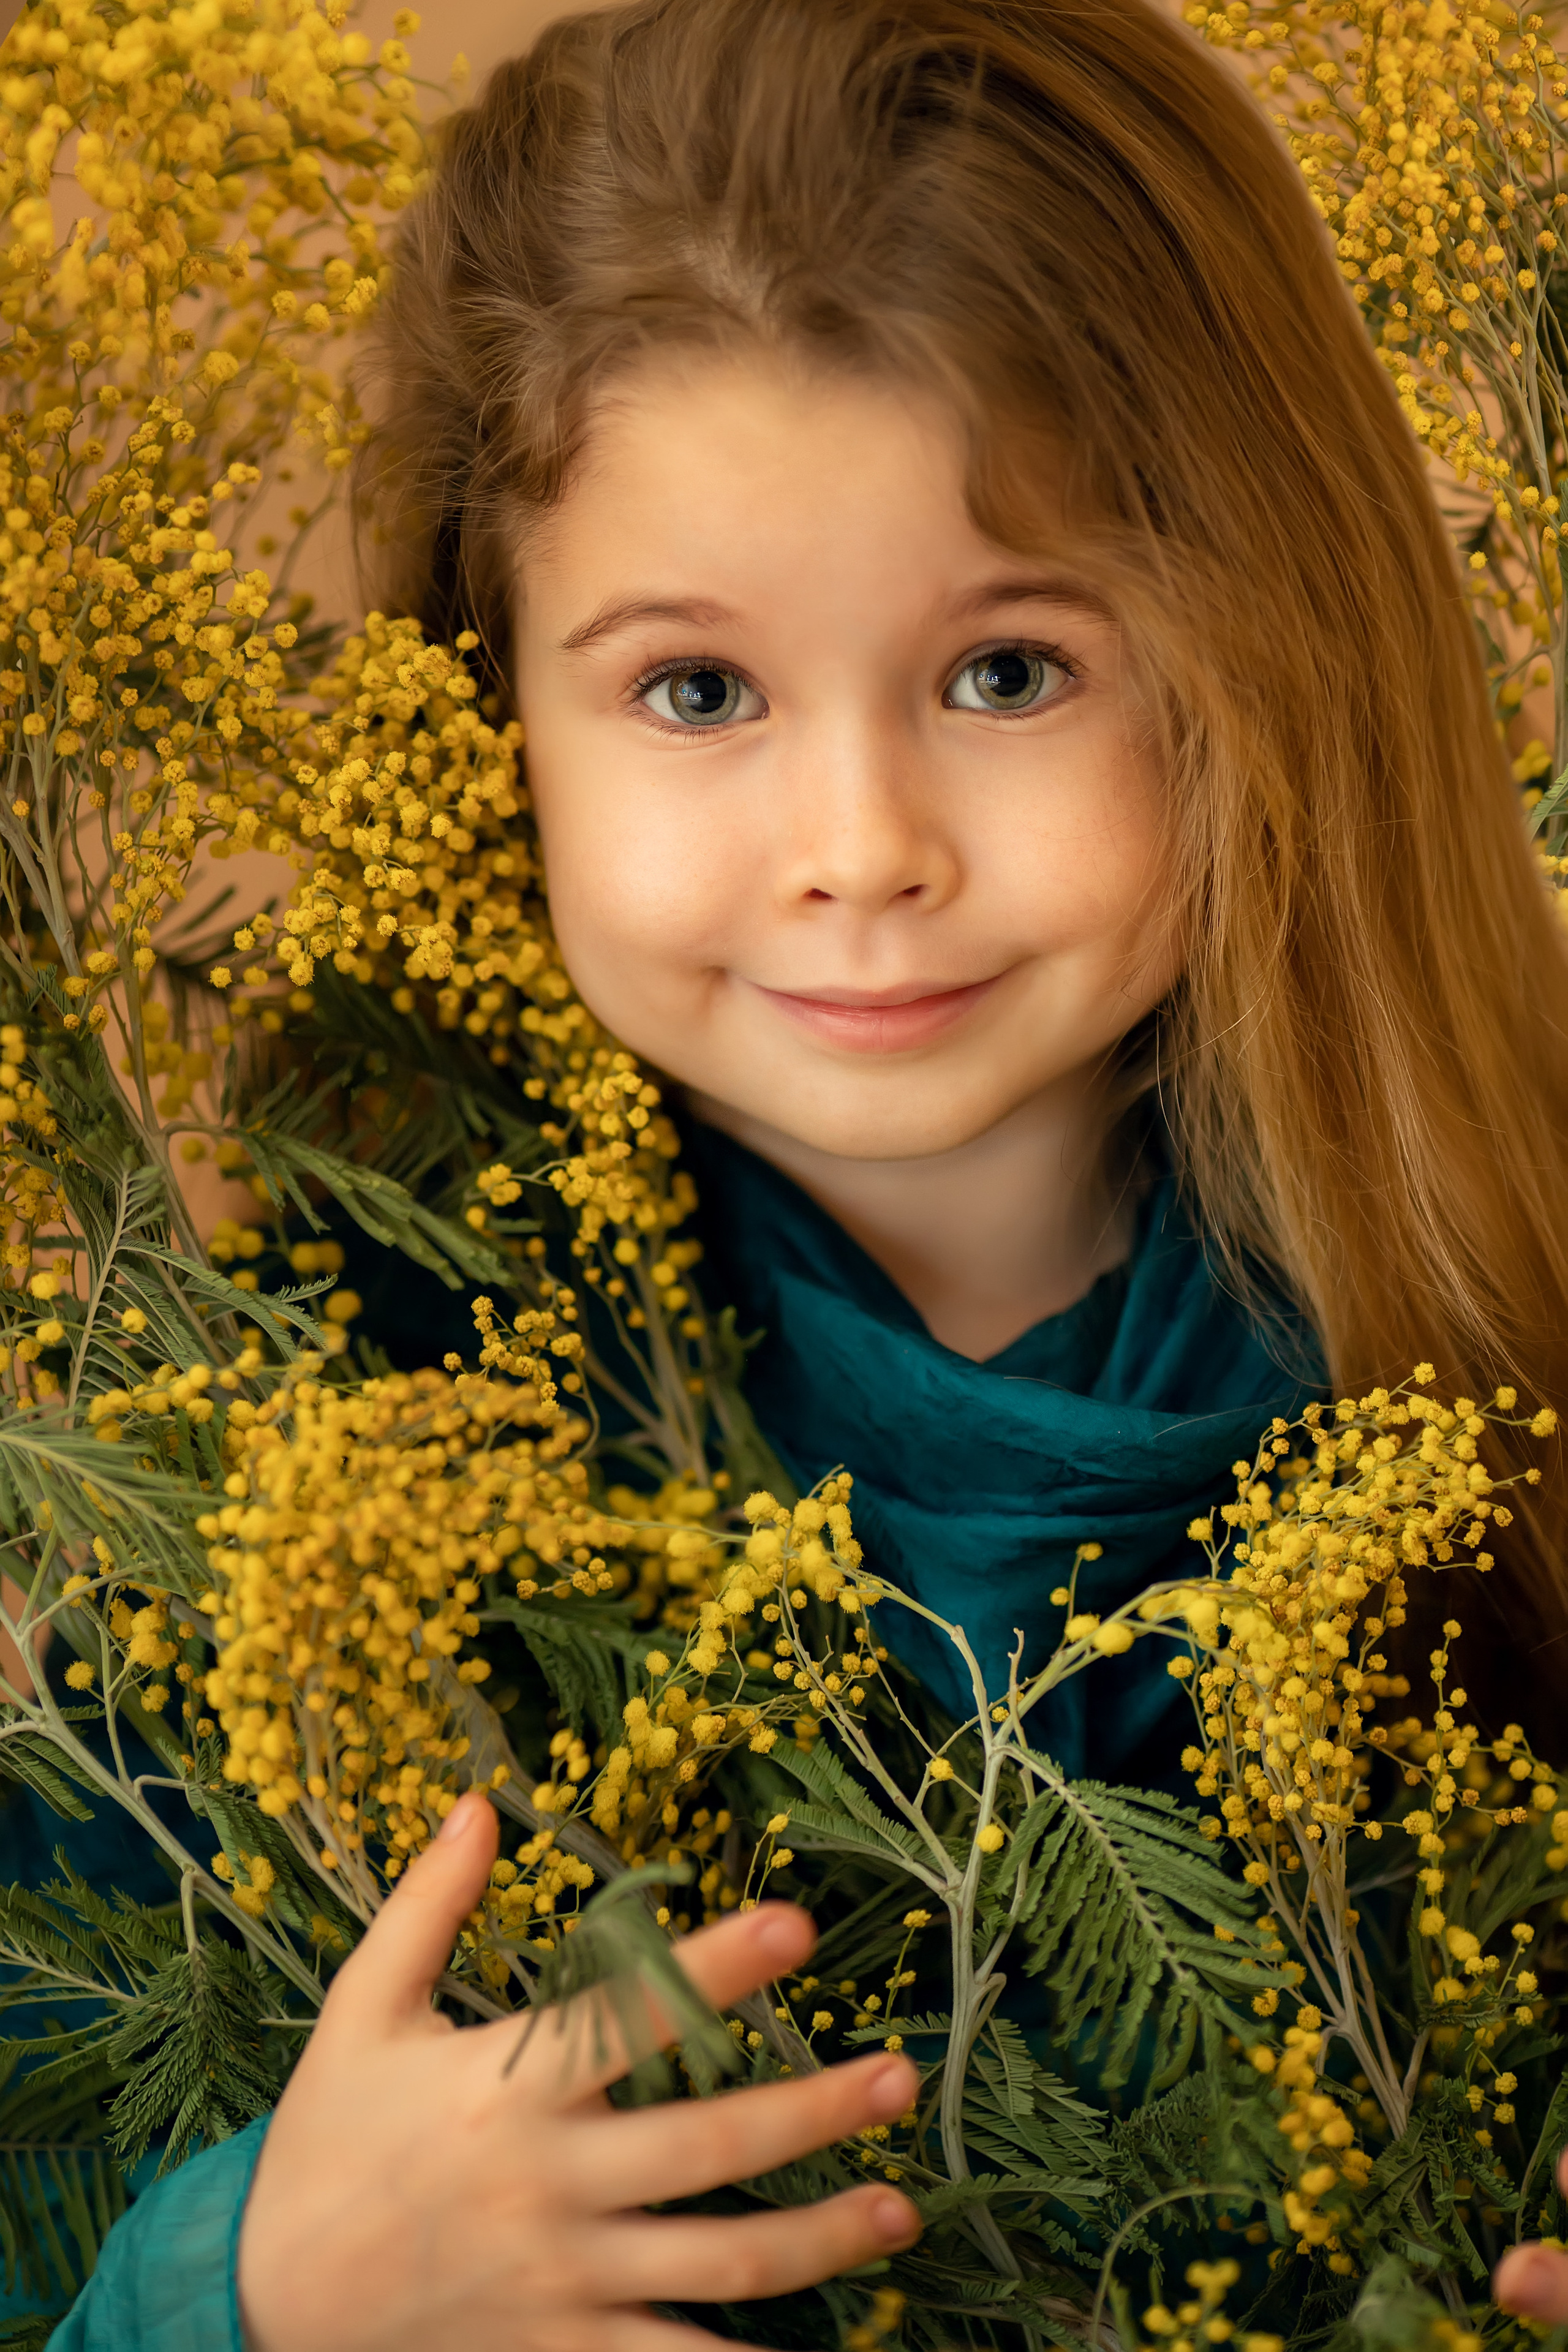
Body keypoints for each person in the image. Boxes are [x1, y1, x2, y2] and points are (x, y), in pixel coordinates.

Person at [47, 0, 1568, 2343]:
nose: (861, 854)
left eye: (1008, 674)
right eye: (694, 694)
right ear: (492, 711)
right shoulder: (264, 1484)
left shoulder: (1513, 1342)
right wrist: (245, 2289)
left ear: (1270, 645)